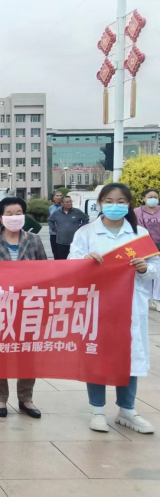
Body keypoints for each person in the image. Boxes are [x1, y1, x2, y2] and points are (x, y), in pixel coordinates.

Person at [69, 183, 158, 434]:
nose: (114, 206)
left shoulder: (139, 234)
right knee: (97, 352)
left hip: (131, 303)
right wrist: (85, 262)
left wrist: (146, 268)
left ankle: (127, 409)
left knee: (130, 353)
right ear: (100, 204)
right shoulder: (86, 233)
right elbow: (71, 264)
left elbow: (156, 268)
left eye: (120, 201)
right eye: (109, 201)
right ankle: (97, 410)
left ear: (129, 204)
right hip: (98, 303)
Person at [0, 196, 46, 419]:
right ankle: (0, 397)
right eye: (9, 214)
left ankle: (26, 398)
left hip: (28, 305)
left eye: (18, 213)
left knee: (27, 353)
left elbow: (47, 271)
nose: (14, 217)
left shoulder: (34, 240)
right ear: (0, 217)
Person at [135, 189, 160, 311]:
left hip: (158, 244)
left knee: (158, 271)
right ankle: (147, 297)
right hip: (143, 245)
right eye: (150, 197)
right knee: (146, 270)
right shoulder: (137, 212)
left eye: (155, 197)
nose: (153, 199)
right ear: (144, 198)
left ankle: (157, 298)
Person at [48, 195, 89, 259]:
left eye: (70, 201)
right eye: (67, 202)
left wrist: (80, 228)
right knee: (62, 261)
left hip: (74, 242)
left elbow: (86, 219)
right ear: (62, 203)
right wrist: (54, 229)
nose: (69, 203)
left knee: (74, 260)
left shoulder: (77, 212)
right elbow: (50, 220)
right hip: (61, 242)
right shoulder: (57, 213)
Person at [48, 191, 63, 258]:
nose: (59, 197)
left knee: (62, 254)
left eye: (60, 196)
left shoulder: (65, 207)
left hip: (63, 234)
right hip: (53, 233)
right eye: (57, 196)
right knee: (55, 253)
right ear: (54, 197)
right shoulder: (51, 207)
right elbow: (50, 219)